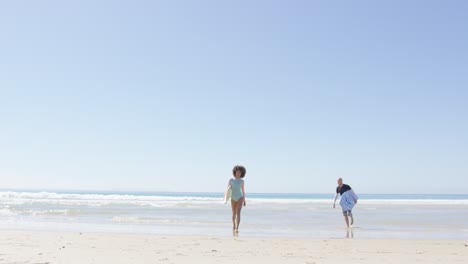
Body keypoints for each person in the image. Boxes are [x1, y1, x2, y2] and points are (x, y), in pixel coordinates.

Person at [227, 165, 246, 233]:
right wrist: (226, 199)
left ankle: (237, 228)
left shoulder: (242, 181)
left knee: (238, 213)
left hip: (240, 198)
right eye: (237, 172)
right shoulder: (231, 180)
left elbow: (243, 191)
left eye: (240, 172)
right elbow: (227, 191)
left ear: (241, 173)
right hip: (233, 198)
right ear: (234, 172)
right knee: (234, 213)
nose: (238, 173)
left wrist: (244, 200)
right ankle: (234, 225)